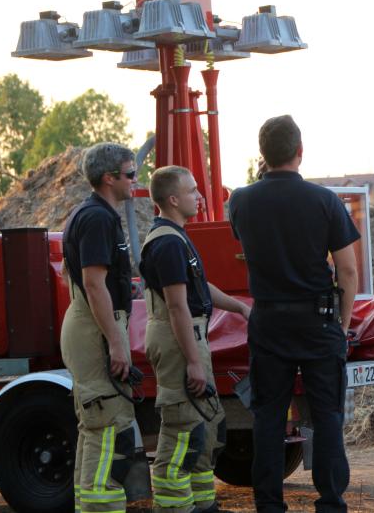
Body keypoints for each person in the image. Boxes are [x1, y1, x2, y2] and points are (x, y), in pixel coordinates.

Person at [228, 115, 359, 513]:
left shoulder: (241, 200)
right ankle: (331, 501)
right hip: (317, 321)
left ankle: (269, 504)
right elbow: (349, 270)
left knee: (267, 417)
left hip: (267, 320)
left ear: (263, 155)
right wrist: (344, 322)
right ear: (300, 152)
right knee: (326, 415)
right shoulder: (324, 201)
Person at [140, 166, 251, 513]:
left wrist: (240, 308)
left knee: (203, 428)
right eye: (192, 191)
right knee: (182, 431)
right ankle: (174, 507)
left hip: (188, 338)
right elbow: (176, 307)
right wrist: (192, 362)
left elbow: (199, 290)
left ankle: (203, 506)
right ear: (173, 199)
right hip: (179, 343)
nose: (200, 197)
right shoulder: (168, 243)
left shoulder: (177, 237)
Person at [61, 142, 138, 513]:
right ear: (110, 178)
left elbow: (77, 279)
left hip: (89, 325)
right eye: (131, 174)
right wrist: (116, 343)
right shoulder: (97, 218)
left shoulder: (92, 215)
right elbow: (93, 283)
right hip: (94, 330)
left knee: (97, 431)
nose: (136, 183)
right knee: (107, 427)